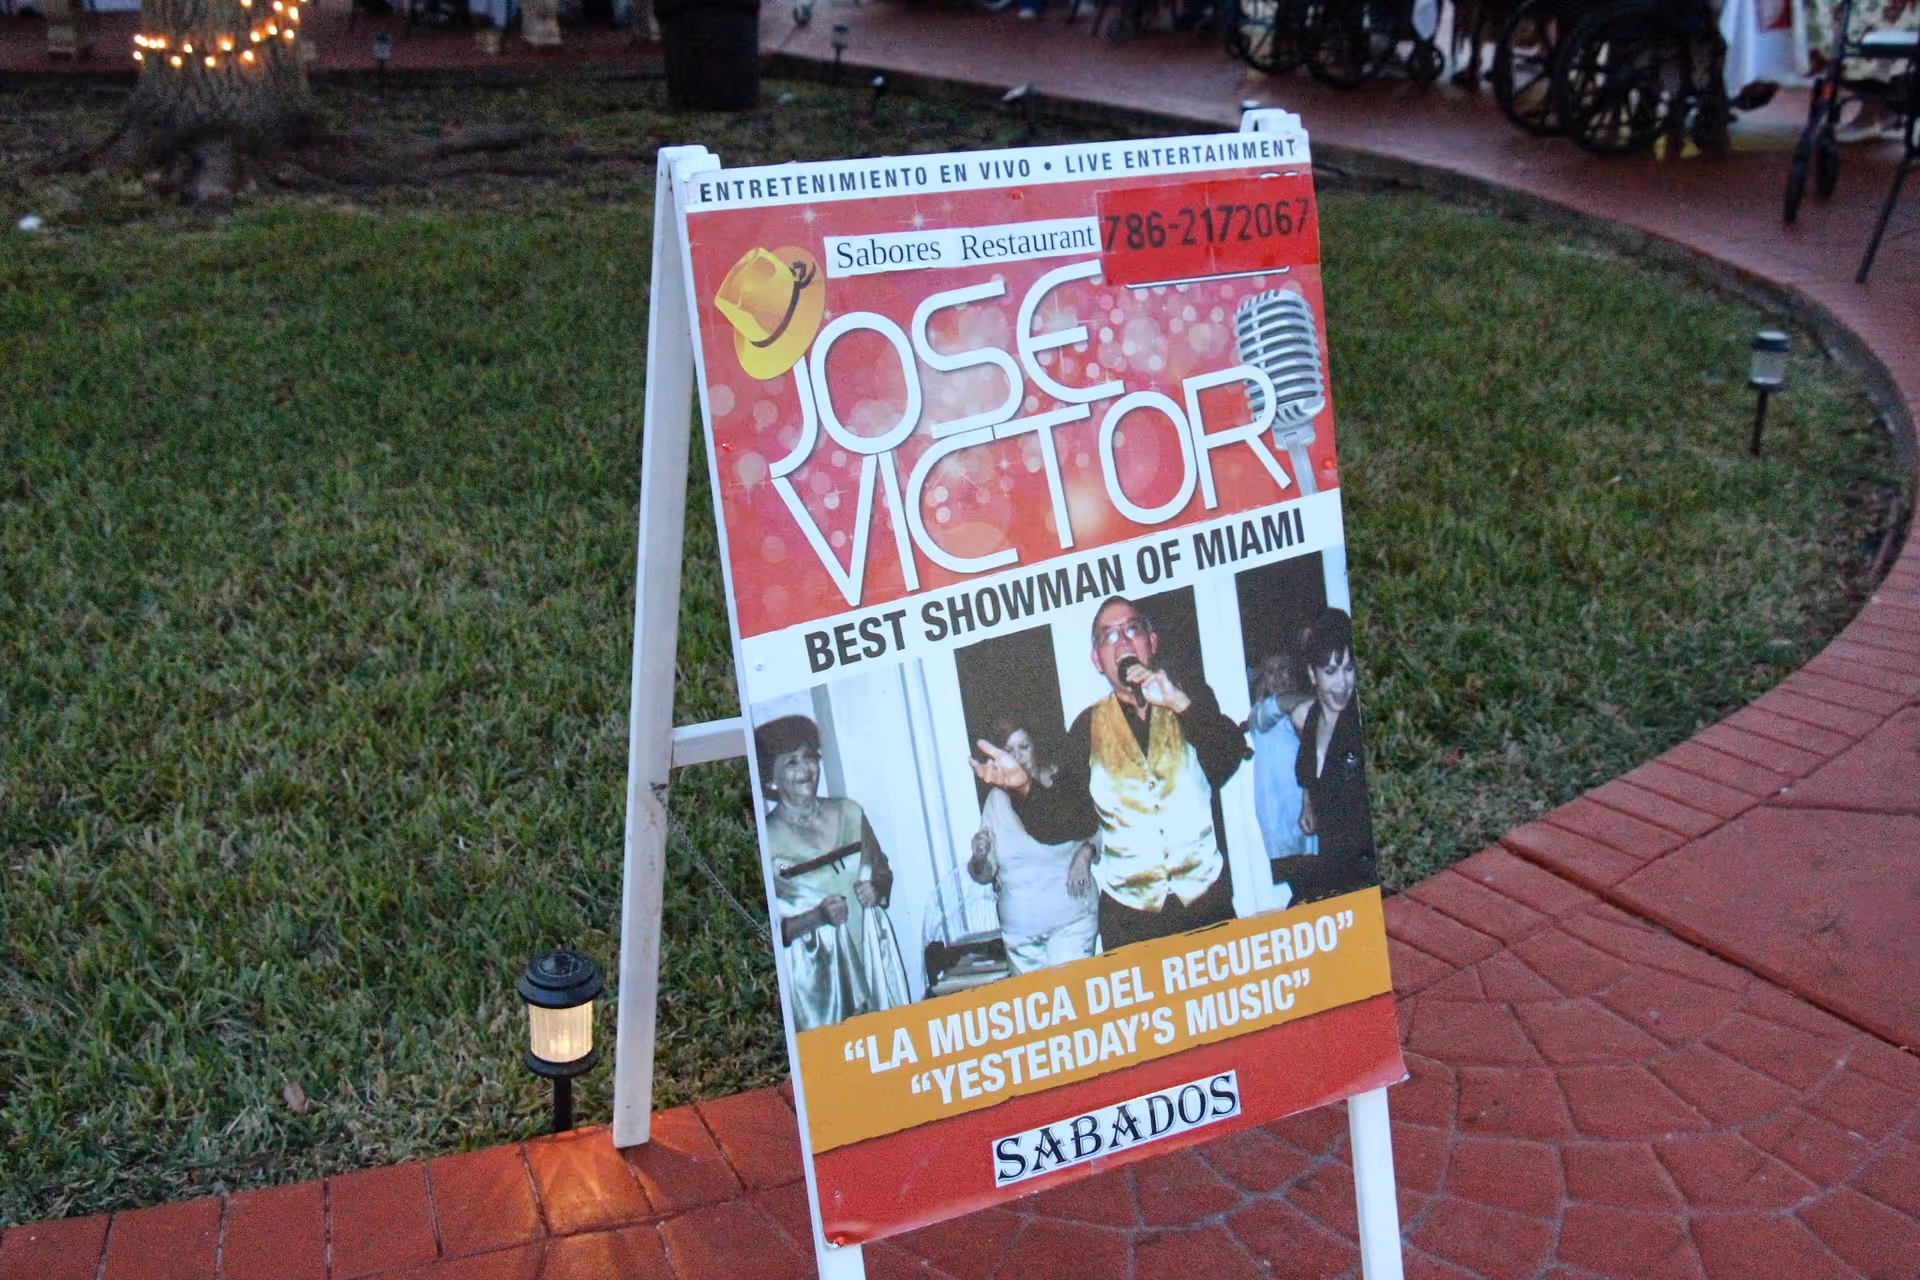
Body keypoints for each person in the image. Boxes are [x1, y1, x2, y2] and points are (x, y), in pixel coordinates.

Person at [971, 596, 1247, 951]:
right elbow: (1067, 822)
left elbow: (1227, 757)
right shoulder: (1087, 728)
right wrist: (1023, 787)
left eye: (1132, 629)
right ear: (1097, 660)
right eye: (1109, 636)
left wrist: (1179, 703)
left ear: (1152, 642)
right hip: (1133, 924)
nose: (1123, 642)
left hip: (1208, 908)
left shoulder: (1189, 699)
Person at [756, 715, 907, 1031]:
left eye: (810, 757)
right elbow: (766, 931)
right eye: (792, 762)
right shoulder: (765, 840)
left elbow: (883, 872)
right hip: (821, 983)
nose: (806, 769)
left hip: (872, 959)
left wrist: (877, 890)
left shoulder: (849, 812)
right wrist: (817, 917)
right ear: (770, 778)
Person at [968, 722, 1098, 975]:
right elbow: (984, 874)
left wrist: (1085, 854)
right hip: (1020, 939)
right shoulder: (996, 801)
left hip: (1071, 924)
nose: (1016, 757)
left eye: (1023, 747)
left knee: (1073, 1004)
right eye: (1008, 750)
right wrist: (979, 856)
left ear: (1036, 747)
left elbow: (1096, 828)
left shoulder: (1060, 782)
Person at [1283, 608, 1378, 904]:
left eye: (1349, 669)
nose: (1342, 685)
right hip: (1332, 860)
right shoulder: (1307, 719)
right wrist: (1307, 805)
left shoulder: (1356, 722)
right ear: (1312, 674)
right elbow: (1311, 774)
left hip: (1360, 870)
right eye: (1331, 672)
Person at [1245, 651, 1310, 868]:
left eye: (1284, 669)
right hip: (1277, 818)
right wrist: (1325, 699)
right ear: (1263, 680)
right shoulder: (1259, 714)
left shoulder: (1303, 712)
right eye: (1271, 672)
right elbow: (1282, 703)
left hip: (1306, 809)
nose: (1279, 677)